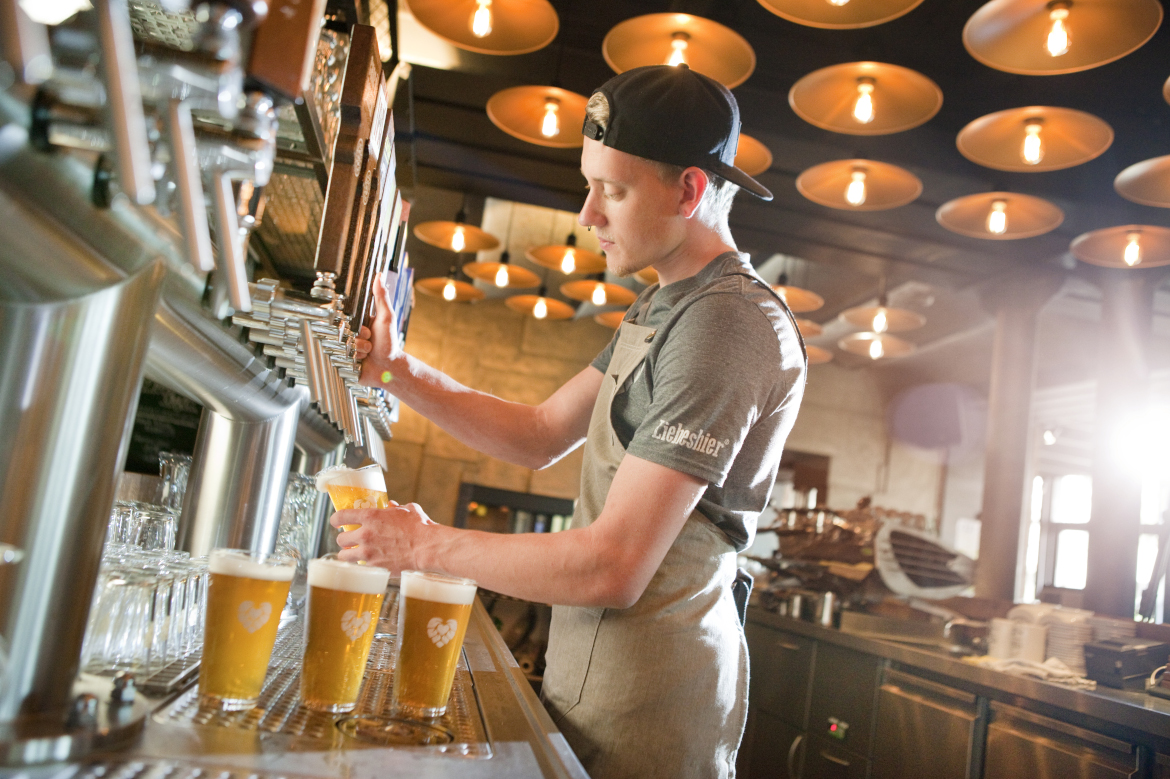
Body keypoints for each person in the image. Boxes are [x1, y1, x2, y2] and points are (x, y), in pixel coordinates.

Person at [341, 64, 807, 779]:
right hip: (592, 692)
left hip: (652, 718)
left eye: (612, 190)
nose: (588, 214)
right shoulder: (660, 308)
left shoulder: (726, 323)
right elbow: (537, 433)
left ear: (689, 190)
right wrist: (398, 370)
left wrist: (424, 546)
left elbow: (613, 564)